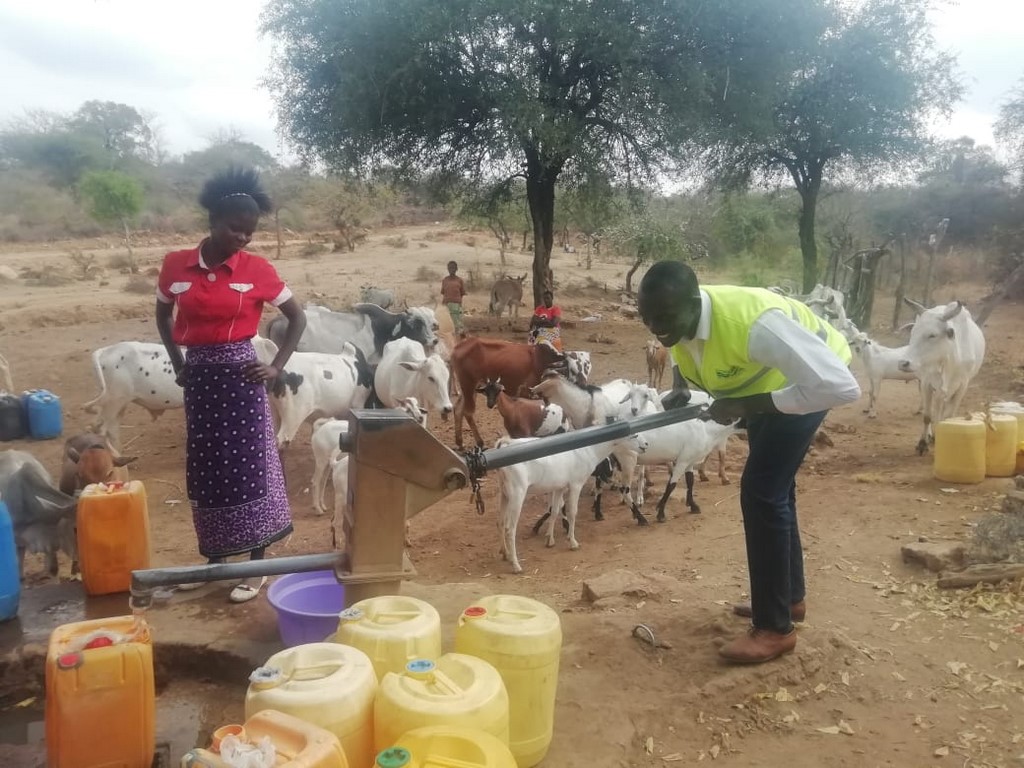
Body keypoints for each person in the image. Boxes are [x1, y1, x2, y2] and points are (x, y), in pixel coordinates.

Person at [637, 261, 859, 663]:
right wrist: (681, 385)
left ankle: (775, 630)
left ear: (693, 302)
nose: (657, 329)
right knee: (775, 493)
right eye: (647, 320)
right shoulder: (678, 320)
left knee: (761, 494)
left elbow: (839, 387)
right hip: (769, 390)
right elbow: (684, 346)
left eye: (664, 319)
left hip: (812, 386)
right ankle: (788, 601)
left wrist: (749, 404)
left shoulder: (756, 325)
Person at [155, 167, 307, 603]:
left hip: (242, 377)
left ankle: (256, 565)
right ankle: (216, 561)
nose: (243, 237)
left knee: (248, 470)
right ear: (212, 223)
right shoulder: (175, 266)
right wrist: (177, 361)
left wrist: (275, 366)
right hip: (200, 379)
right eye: (235, 228)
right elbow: (163, 315)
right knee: (208, 472)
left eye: (250, 231)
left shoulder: (257, 269)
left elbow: (297, 317)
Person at [441, 260, 466, 336]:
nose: (451, 269)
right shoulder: (445, 280)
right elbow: (443, 292)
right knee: (447, 323)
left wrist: (458, 304)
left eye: (453, 268)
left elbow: (462, 293)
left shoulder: (460, 280)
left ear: (456, 269)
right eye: (450, 268)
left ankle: (459, 338)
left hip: (456, 305)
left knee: (458, 324)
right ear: (447, 269)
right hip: (446, 305)